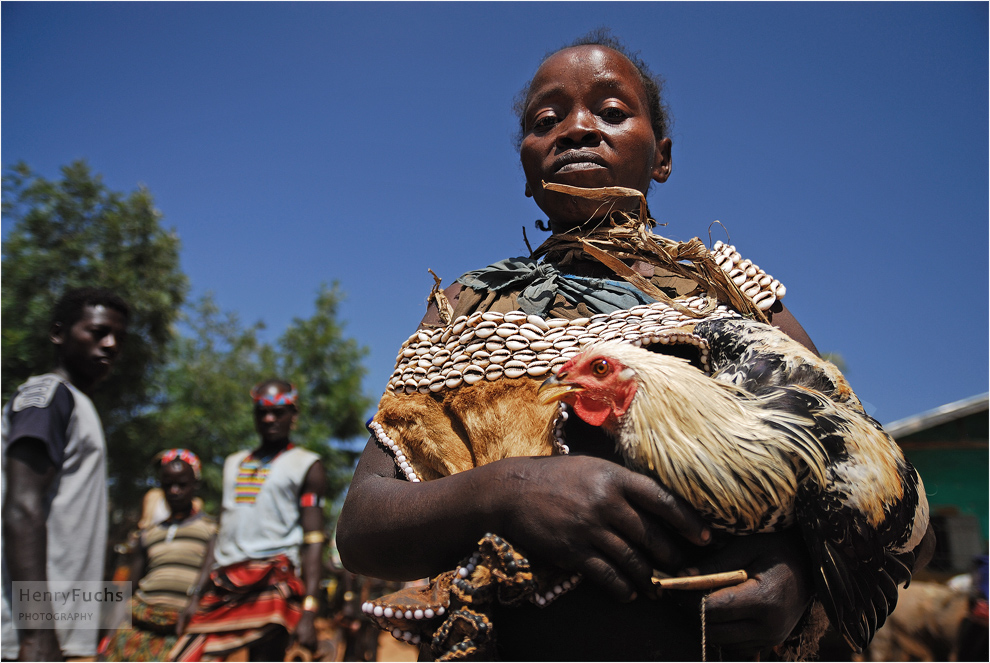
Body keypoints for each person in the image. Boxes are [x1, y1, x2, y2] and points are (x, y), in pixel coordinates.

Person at [336, 32, 935, 661]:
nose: (576, 129)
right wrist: (508, 492)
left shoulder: (735, 292)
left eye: (612, 112)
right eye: (547, 120)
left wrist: (802, 572)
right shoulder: (467, 306)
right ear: (524, 162)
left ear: (662, 157)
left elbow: (885, 498)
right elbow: (364, 528)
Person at [1, 287, 130, 661]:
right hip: (27, 638)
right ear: (59, 333)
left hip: (63, 638)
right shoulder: (48, 394)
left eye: (119, 338)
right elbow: (22, 509)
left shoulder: (78, 405)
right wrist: (37, 635)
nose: (110, 345)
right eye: (98, 332)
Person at [171, 379, 326, 662]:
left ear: (294, 415)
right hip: (223, 582)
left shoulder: (307, 465)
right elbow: (220, 533)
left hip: (272, 577)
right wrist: (196, 595)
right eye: (261, 411)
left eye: (278, 411)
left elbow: (314, 539)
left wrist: (309, 610)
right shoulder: (233, 463)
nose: (268, 418)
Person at [100, 450, 216, 661]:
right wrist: (108, 639)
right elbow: (129, 589)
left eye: (182, 484)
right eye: (167, 484)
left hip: (181, 625)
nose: (174, 491)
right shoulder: (149, 534)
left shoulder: (210, 530)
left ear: (195, 485)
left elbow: (209, 573)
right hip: (141, 621)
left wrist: (195, 600)